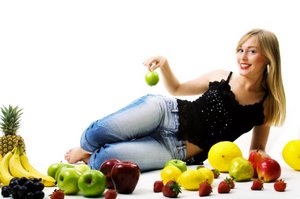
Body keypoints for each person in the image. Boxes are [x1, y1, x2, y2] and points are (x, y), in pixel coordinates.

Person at [64, 28, 286, 172]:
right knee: (94, 134)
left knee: (104, 160)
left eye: (251, 51)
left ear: (268, 57)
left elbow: (257, 149)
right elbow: (177, 88)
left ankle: (90, 153)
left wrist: (267, 163)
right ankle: (85, 148)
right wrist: (165, 64)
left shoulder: (266, 104)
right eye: (240, 50)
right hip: (164, 112)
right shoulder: (221, 76)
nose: (242, 57)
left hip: (175, 151)